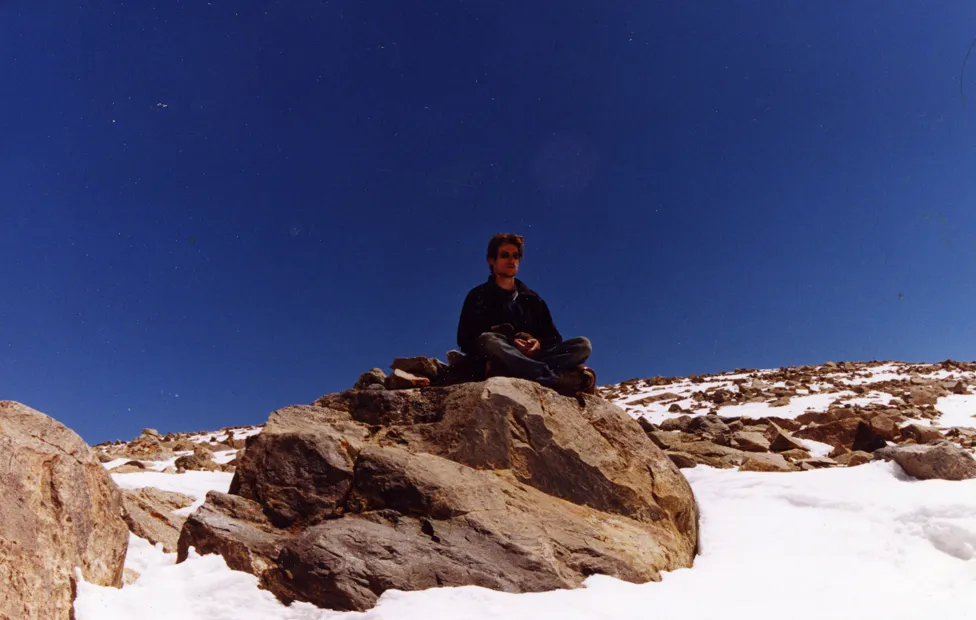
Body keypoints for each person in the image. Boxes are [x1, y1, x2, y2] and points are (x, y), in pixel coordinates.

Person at [456, 233, 595, 395]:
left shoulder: (532, 299)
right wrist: (510, 342)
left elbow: (554, 338)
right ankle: (554, 379)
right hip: (501, 354)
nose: (511, 260)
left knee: (583, 345)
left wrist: (537, 343)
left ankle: (517, 372)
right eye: (505, 256)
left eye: (515, 256)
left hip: (532, 359)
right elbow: (465, 340)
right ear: (492, 260)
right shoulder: (478, 296)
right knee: (489, 340)